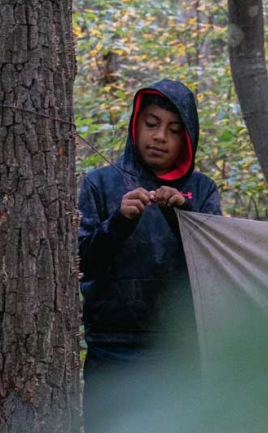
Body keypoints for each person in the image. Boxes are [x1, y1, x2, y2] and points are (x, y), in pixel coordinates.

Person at [78, 80, 221, 432]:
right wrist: (119, 221)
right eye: (151, 124)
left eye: (173, 130)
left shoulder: (201, 190)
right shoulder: (100, 183)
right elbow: (81, 263)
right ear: (135, 125)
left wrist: (181, 215)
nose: (160, 137)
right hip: (110, 350)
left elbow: (213, 266)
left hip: (179, 351)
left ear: (186, 139)